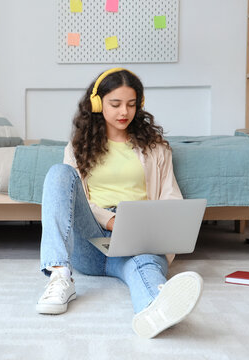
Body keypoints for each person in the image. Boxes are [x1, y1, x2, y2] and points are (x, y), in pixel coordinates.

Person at [35, 68, 203, 338]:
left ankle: (154, 309)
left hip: (138, 236)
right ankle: (59, 275)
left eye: (131, 104)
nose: (124, 111)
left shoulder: (156, 147)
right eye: (115, 104)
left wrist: (152, 230)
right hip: (91, 239)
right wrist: (110, 220)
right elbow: (72, 200)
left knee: (145, 266)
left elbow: (170, 197)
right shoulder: (77, 146)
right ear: (98, 104)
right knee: (58, 173)